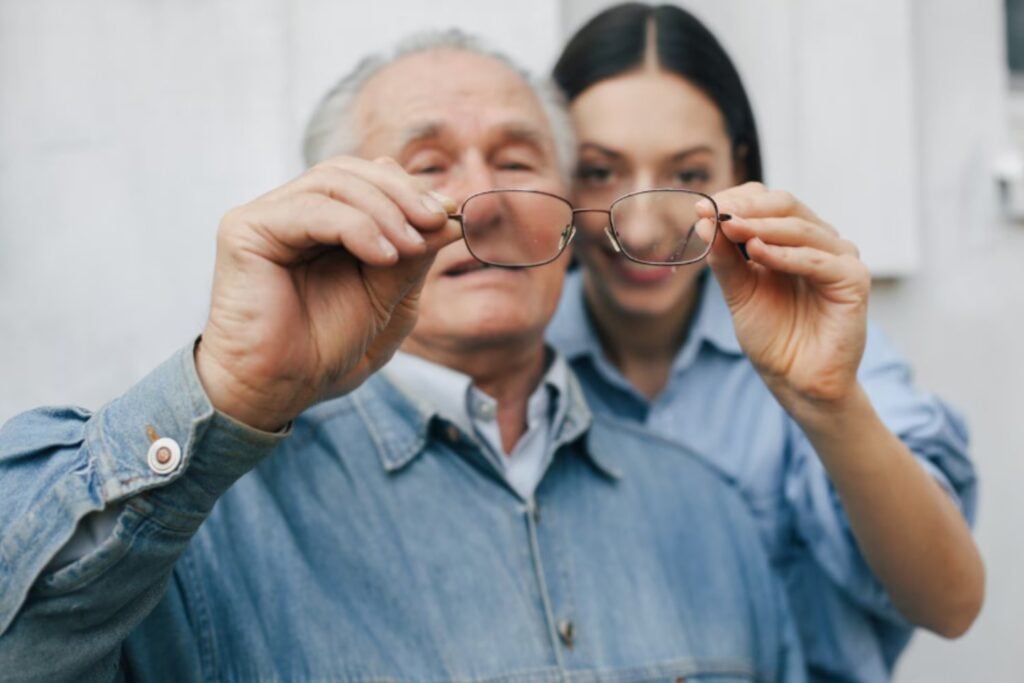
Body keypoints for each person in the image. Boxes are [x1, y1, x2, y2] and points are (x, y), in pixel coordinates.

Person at [0, 32, 805, 681]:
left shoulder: (712, 513)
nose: (476, 207)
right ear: (336, 209)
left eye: (518, 163)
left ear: (573, 223)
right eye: (426, 168)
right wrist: (228, 391)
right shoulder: (195, 521)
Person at [546, 4, 983, 682]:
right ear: (555, 174)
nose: (640, 222)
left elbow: (951, 603)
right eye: (600, 171)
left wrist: (828, 402)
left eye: (689, 174)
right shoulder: (514, 352)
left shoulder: (817, 337)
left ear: (738, 170)